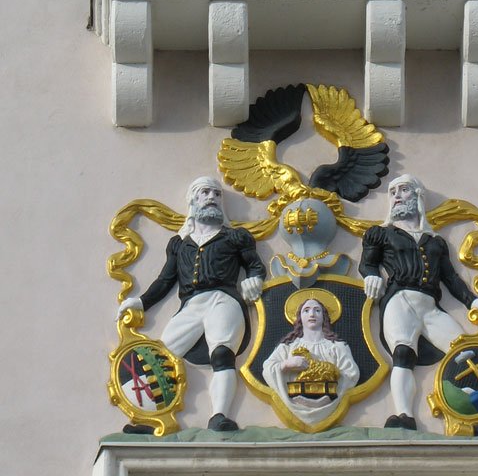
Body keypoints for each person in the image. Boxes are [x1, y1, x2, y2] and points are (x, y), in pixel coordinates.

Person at [117, 176, 266, 432]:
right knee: (160, 357)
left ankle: (219, 415)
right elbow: (165, 280)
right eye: (205, 193)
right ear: (193, 200)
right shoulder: (179, 245)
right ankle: (152, 420)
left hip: (224, 300)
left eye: (216, 194)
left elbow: (255, 266)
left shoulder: (235, 238)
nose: (212, 198)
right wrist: (140, 302)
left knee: (221, 353)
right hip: (192, 304)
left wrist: (254, 280)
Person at [359, 174, 478, 431]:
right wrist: (371, 276)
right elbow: (367, 263)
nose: (397, 196)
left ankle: (466, 418)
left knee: (462, 354)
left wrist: (473, 302)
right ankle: (404, 416)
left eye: (404, 190)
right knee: (403, 352)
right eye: (393, 192)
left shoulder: (435, 242)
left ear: (418, 196)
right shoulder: (381, 234)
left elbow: (451, 278)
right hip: (399, 300)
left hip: (429, 305)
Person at [262, 295, 359, 426]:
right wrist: (286, 364)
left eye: (317, 310)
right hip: (295, 402)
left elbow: (351, 372)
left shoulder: (337, 346)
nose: (312, 314)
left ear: (324, 316)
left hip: (330, 399)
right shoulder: (288, 346)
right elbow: (267, 367)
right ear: (299, 317)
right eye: (306, 310)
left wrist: (333, 374)